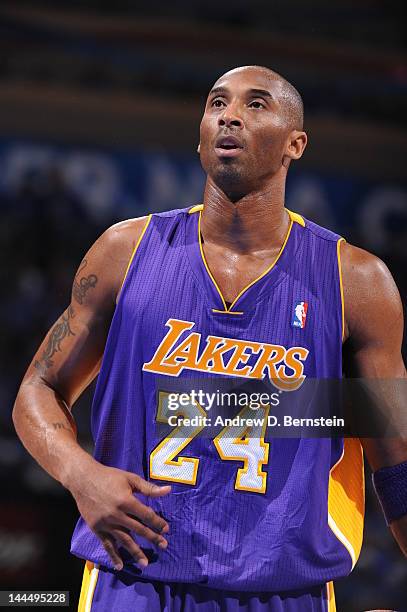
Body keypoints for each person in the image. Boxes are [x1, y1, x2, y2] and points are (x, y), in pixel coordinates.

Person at [13, 66, 407, 612]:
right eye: (217, 102)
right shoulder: (124, 251)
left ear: (296, 144)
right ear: (200, 132)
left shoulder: (357, 282)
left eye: (257, 105)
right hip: (134, 576)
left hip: (283, 587)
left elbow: (397, 461)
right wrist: (82, 475)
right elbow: (39, 385)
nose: (230, 115)